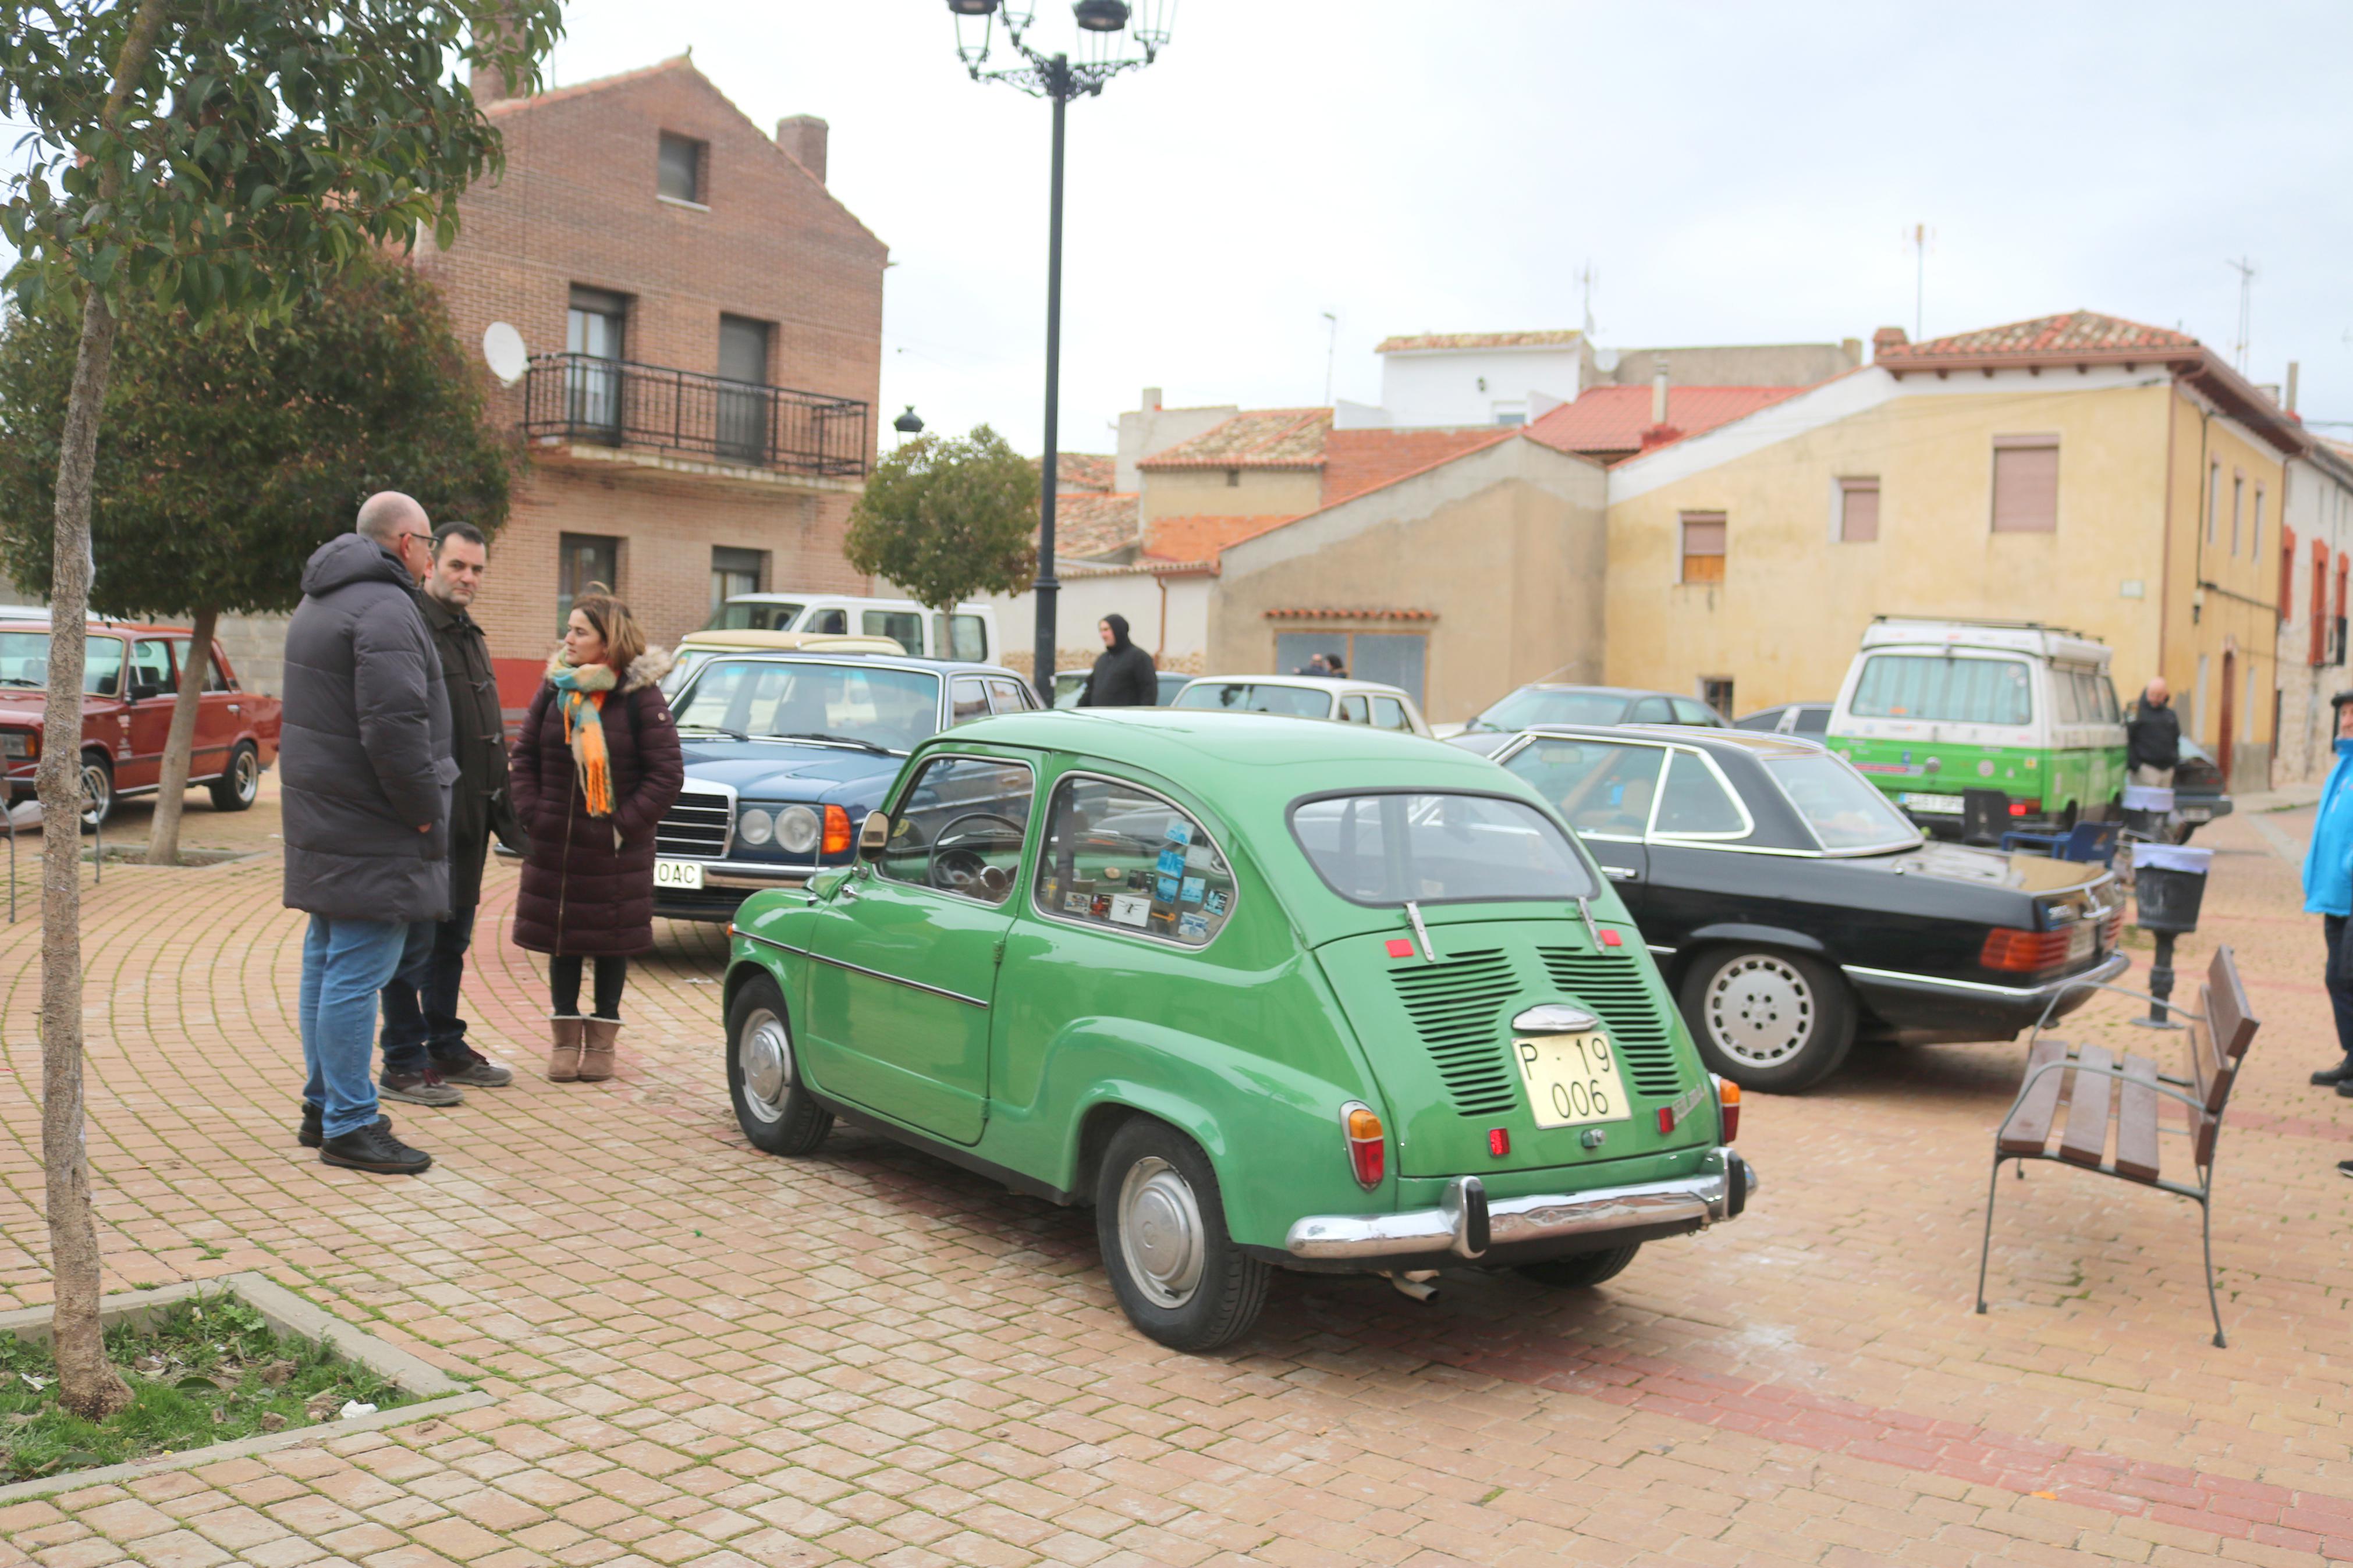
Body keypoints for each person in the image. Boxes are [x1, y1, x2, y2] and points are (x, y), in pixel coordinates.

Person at [281, 492, 452, 1176]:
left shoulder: (322, 598)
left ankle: (325, 1106)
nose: (433, 556)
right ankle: (350, 1122)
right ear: (407, 542)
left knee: (327, 959)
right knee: (355, 969)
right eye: (430, 542)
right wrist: (421, 810)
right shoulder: (383, 607)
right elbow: (393, 725)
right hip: (373, 822)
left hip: (332, 817)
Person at [378, 522, 525, 1105]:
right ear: (431, 562)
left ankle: (444, 1042)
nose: (468, 578)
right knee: (411, 948)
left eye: (477, 569)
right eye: (458, 566)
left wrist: (505, 816)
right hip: (426, 823)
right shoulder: (414, 628)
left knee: (451, 943)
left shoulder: (468, 632)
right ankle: (403, 1060)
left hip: (468, 826)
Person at [509, 589, 683, 1081]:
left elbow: (666, 774)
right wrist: (533, 814)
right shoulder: (554, 688)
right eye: (568, 629)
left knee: (610, 942)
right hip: (557, 844)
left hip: (614, 850)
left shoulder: (639, 696)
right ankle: (564, 1039)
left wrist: (621, 827)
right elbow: (524, 758)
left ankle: (602, 1043)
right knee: (562, 939)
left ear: (608, 642)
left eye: (579, 631)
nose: (567, 638)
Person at [2305, 692, 2353, 1117]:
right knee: (2336, 977)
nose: (2347, 719)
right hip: (2336, 893)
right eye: (2343, 712)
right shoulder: (2342, 766)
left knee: (2348, 974)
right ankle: (2351, 1056)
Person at [1077, 614, 1158, 707]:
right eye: (1101, 631)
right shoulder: (1102, 660)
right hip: (1099, 719)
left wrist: (1141, 717)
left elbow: (1149, 693)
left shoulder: (1139, 658)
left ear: (1118, 630)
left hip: (1125, 719)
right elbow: (1090, 691)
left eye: (1106, 630)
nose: (1103, 635)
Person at [2125, 677, 2180, 786]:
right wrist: (2136, 765)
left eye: (2159, 695)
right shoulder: (2134, 711)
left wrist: (2174, 761)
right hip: (2145, 770)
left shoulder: (2170, 715)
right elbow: (2127, 737)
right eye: (2152, 694)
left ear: (2165, 695)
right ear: (2147, 692)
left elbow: (2176, 739)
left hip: (2167, 770)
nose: (2155, 698)